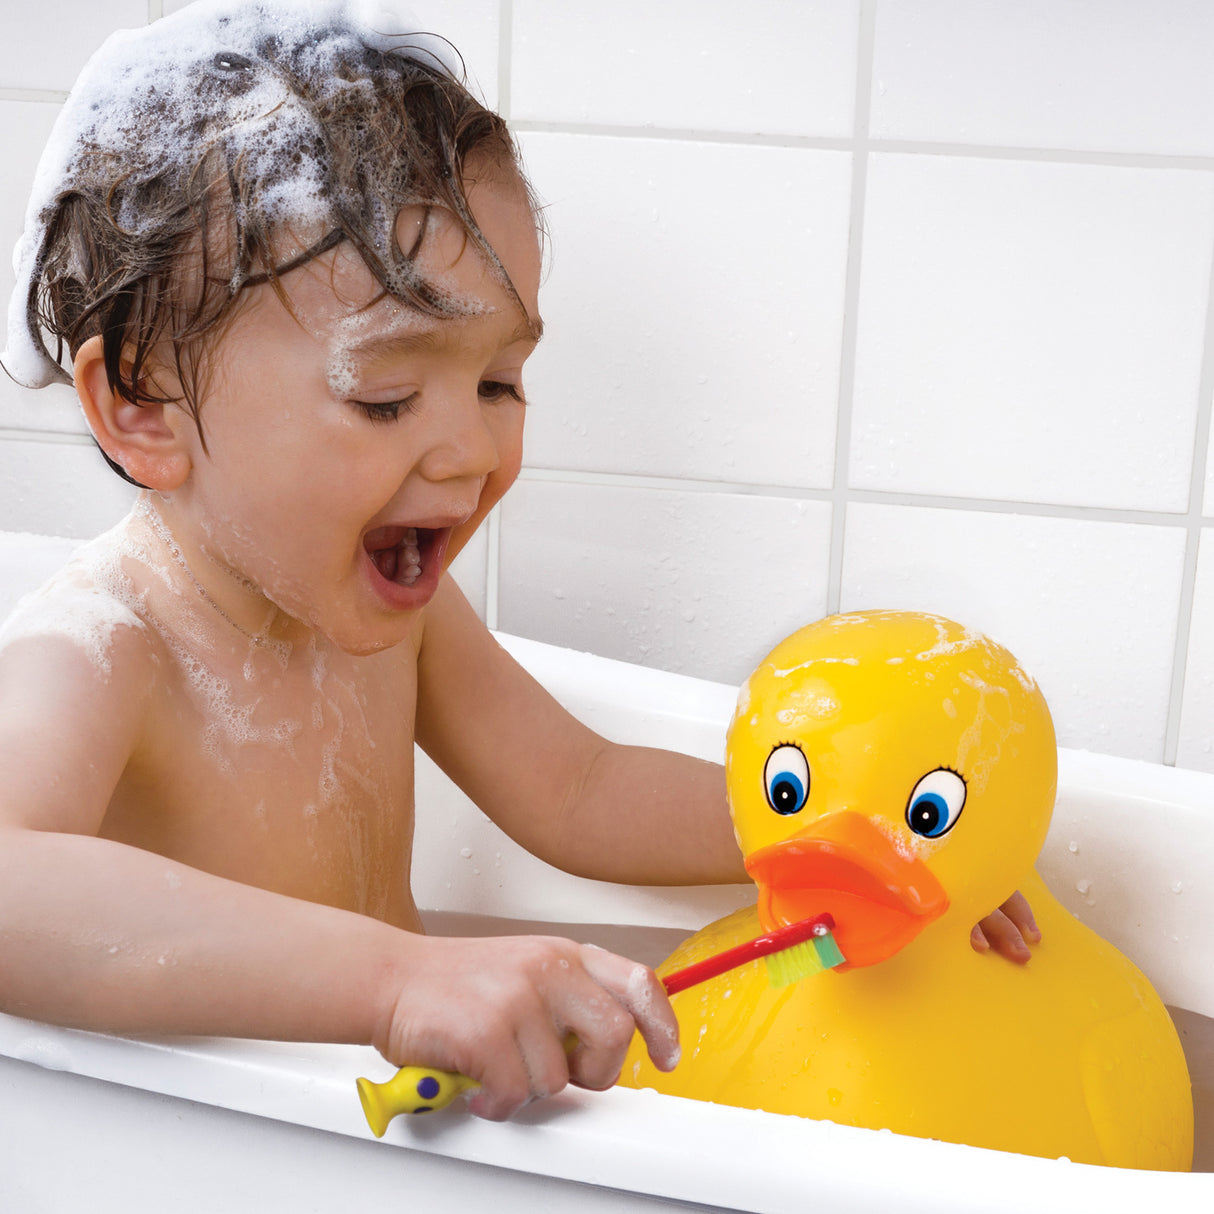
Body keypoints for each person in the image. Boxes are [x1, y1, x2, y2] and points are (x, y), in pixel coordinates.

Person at [0, 0, 1037, 1123]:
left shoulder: (399, 616)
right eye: (385, 395)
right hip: (194, 1151)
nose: (471, 447)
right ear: (141, 404)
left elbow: (576, 790)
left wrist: (835, 843)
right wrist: (399, 981)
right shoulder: (106, 650)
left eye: (499, 382)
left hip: (379, 1121)